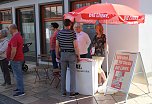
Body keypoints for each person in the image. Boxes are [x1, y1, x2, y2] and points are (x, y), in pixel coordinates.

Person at [56, 19, 80, 98]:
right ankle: (72, 92)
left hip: (63, 54)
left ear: (63, 24)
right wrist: (78, 55)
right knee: (72, 74)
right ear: (70, 25)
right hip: (71, 54)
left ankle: (63, 92)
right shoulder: (72, 33)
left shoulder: (59, 33)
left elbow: (57, 45)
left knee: (63, 73)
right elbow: (75, 46)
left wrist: (57, 54)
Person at [7, 24, 25, 97]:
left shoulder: (15, 37)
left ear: (13, 29)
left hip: (16, 59)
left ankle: (21, 91)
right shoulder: (18, 36)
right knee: (17, 74)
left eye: (9, 29)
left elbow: (14, 50)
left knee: (18, 75)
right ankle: (19, 88)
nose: (8, 30)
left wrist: (11, 58)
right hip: (18, 58)